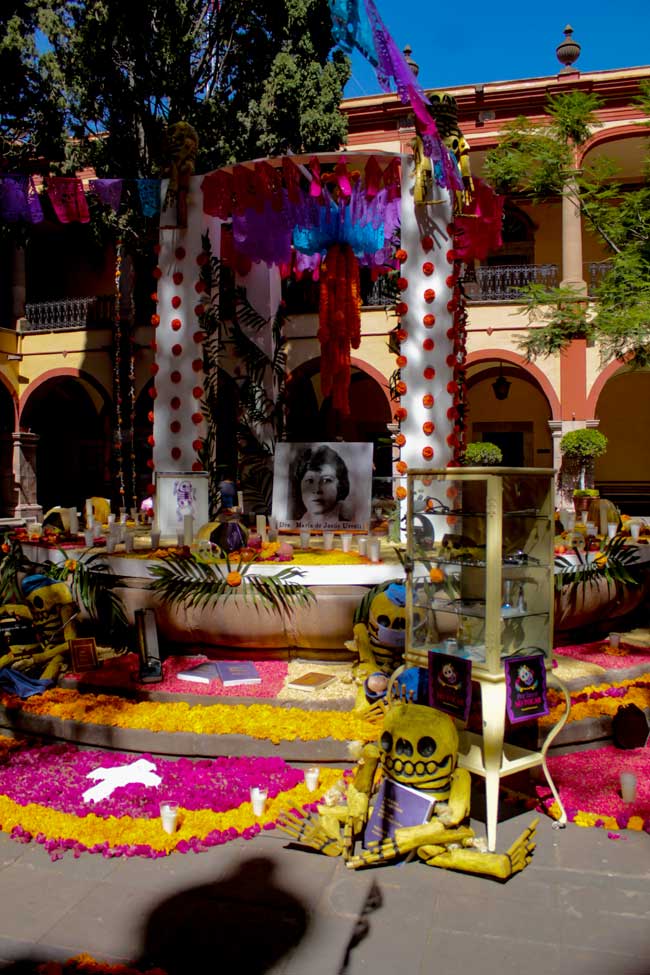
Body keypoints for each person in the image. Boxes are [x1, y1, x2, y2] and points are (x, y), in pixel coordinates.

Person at [292, 444, 353, 526]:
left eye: (326, 480)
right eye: (310, 481)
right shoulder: (290, 528)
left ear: (340, 485)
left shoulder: (352, 526)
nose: (317, 490)